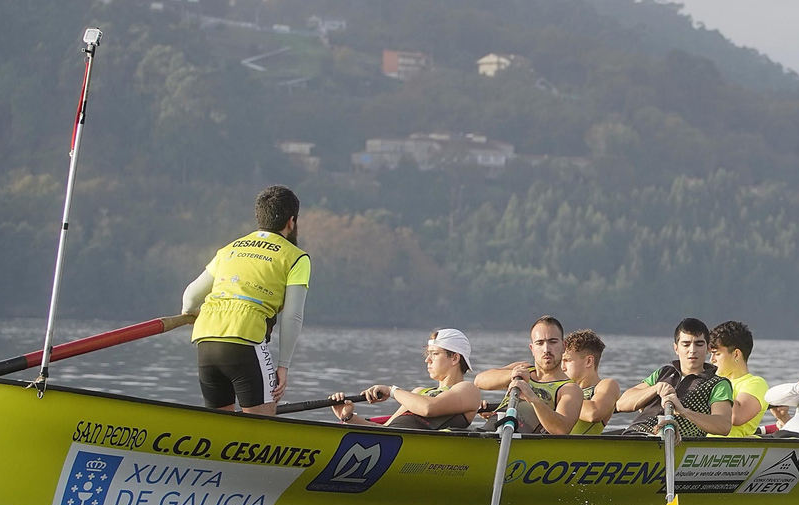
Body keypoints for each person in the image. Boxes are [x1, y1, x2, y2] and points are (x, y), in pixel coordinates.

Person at [182, 185, 308, 416]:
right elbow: (293, 316)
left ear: (259, 217)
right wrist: (283, 366)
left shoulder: (229, 249)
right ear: (292, 221)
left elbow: (190, 296)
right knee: (261, 423)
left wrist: (190, 314)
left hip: (205, 339)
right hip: (245, 339)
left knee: (221, 427)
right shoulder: (296, 257)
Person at [333, 328, 481, 429]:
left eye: (435, 354)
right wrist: (348, 417)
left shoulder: (468, 389)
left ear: (454, 358)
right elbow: (385, 430)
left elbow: (428, 408)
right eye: (428, 354)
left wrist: (392, 391)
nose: (427, 360)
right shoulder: (418, 392)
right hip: (391, 441)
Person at [614, 318, 734, 437]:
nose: (692, 350)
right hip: (633, 435)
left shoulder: (717, 384)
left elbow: (723, 425)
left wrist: (684, 411)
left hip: (674, 442)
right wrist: (656, 388)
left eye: (699, 344)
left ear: (708, 348)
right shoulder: (663, 373)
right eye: (686, 344)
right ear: (676, 349)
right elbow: (621, 404)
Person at [473, 315, 583, 434]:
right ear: (532, 349)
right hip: (487, 432)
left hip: (517, 441)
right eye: (540, 343)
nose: (546, 349)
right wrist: (512, 375)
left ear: (563, 346)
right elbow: (479, 381)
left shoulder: (570, 389)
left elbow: (561, 429)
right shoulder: (523, 368)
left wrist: (532, 397)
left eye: (553, 342)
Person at [709, 321, 769, 438]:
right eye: (711, 354)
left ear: (736, 354)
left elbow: (735, 416)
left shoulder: (756, 383)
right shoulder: (711, 381)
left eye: (716, 354)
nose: (712, 360)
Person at [560, 330, 620, 434]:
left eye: (567, 361)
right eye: (560, 361)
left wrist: (557, 398)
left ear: (589, 361)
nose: (562, 367)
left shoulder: (607, 385)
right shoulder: (561, 388)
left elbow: (593, 413)